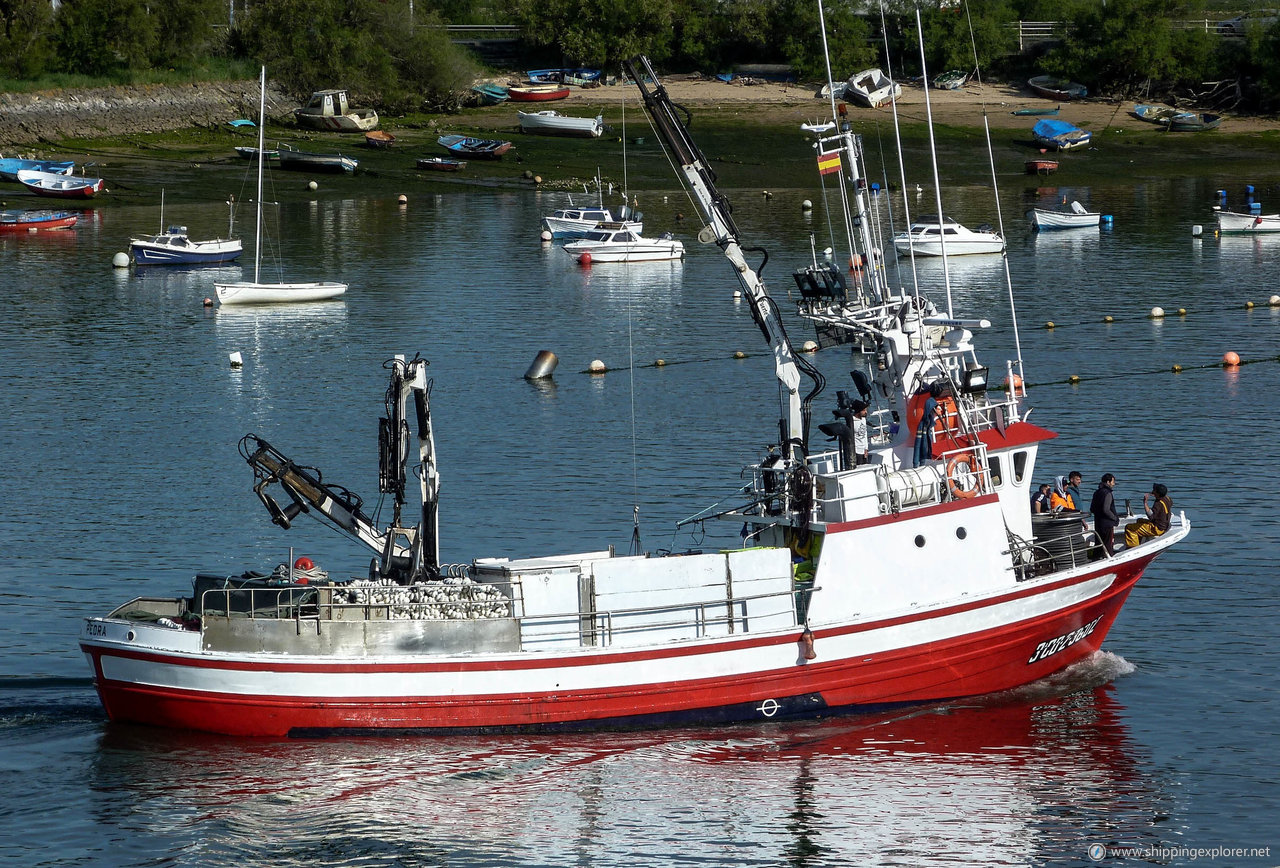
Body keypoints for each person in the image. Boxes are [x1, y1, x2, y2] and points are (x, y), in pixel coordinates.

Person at [1125, 483, 1172, 547]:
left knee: (1129, 528)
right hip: (1164, 525)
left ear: (1157, 494)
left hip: (1157, 528)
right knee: (1139, 520)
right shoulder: (1167, 498)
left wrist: (1145, 502)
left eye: (1154, 490)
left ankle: (1133, 547)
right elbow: (1170, 504)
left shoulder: (1158, 503)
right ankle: (1138, 541)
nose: (1153, 490)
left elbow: (1151, 516)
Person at [1090, 473, 1120, 555]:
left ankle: (1096, 559)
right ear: (1108, 482)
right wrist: (1114, 518)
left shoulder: (1096, 493)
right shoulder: (1108, 493)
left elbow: (1092, 508)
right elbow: (1106, 509)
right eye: (1113, 482)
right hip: (1107, 524)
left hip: (1098, 523)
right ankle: (1108, 560)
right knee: (1107, 545)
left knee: (1099, 544)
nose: (1114, 484)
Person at [913, 383, 940, 467]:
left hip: (927, 427)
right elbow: (917, 447)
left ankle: (920, 463)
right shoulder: (924, 425)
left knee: (920, 445)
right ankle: (919, 463)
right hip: (926, 428)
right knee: (920, 446)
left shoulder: (930, 403)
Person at [850, 400, 870, 465]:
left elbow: (865, 434)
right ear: (859, 411)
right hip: (856, 451)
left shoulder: (863, 419)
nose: (866, 412)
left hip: (863, 450)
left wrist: (866, 448)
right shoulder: (852, 422)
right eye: (864, 410)